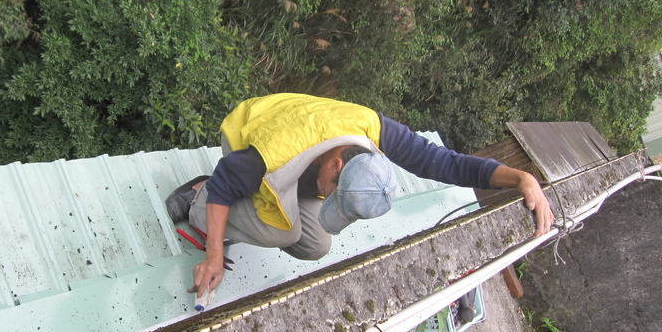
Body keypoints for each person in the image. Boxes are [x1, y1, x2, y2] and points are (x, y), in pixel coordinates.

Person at [166, 94, 554, 301]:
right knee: (279, 230)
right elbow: (227, 181)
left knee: (317, 243)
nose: (329, 203)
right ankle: (196, 198)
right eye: (333, 195)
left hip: (301, 160)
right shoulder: (276, 153)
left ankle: (253, 206)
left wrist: (519, 177)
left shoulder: (374, 132)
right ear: (336, 165)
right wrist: (213, 256)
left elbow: (445, 163)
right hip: (247, 135)